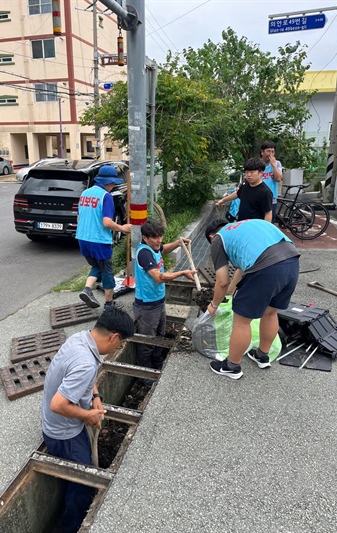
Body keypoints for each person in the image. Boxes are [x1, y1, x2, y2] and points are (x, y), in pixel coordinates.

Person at [41, 307, 134, 532]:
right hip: (63, 434)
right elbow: (58, 404)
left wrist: (95, 397)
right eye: (119, 344)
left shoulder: (81, 339)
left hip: (54, 423)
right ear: (114, 337)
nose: (117, 348)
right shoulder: (85, 362)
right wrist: (87, 415)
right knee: (83, 486)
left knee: (82, 477)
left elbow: (85, 377)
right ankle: (69, 528)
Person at [204, 218, 299, 380]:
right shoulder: (244, 227)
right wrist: (231, 290)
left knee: (242, 320)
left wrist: (214, 305)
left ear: (212, 236)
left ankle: (231, 366)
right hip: (292, 262)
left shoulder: (218, 239)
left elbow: (221, 281)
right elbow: (241, 267)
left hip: (266, 267)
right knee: (270, 312)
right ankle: (262, 355)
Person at [134, 219, 197, 370]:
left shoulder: (154, 248)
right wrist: (182, 272)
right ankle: (145, 373)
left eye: (160, 236)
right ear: (145, 238)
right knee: (147, 341)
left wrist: (178, 243)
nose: (159, 240)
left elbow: (163, 249)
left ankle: (157, 364)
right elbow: (158, 277)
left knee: (160, 335)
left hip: (158, 301)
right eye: (155, 237)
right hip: (147, 305)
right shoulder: (144, 253)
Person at [76, 165, 132, 310]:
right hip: (99, 240)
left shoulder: (85, 193)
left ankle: (87, 289)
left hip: (82, 238)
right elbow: (107, 222)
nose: (113, 186)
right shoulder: (105, 197)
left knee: (97, 266)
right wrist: (122, 228)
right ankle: (109, 304)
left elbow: (79, 218)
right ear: (109, 182)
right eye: (113, 183)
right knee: (107, 272)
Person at [216, 157, 273, 222]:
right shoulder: (245, 185)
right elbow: (237, 193)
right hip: (241, 223)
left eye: (252, 172)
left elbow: (268, 213)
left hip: (255, 226)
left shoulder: (265, 192)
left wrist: (265, 230)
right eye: (246, 172)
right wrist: (223, 200)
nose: (248, 175)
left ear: (261, 173)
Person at [260, 140, 283, 221]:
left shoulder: (277, 164)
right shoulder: (257, 164)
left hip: (271, 198)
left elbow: (278, 179)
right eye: (268, 151)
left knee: (269, 223)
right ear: (262, 152)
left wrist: (274, 166)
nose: (270, 154)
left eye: (273, 152)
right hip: (258, 197)